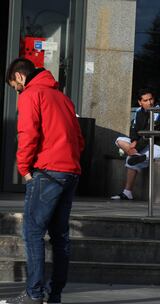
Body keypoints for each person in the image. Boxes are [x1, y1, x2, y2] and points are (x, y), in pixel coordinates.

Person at [1, 58, 84, 304]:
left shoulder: (31, 94)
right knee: (60, 236)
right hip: (70, 172)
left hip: (47, 172)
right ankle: (54, 295)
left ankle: (34, 295)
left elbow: (28, 133)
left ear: (19, 76)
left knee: (33, 233)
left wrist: (24, 167)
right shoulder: (64, 99)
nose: (16, 90)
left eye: (14, 86)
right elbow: (79, 139)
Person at [110, 89, 160, 200]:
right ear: (140, 102)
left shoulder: (159, 111)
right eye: (146, 100)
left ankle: (127, 191)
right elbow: (134, 129)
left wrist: (136, 147)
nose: (149, 102)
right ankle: (135, 155)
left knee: (132, 160)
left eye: (151, 99)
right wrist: (134, 141)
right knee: (119, 140)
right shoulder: (139, 111)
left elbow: (150, 133)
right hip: (143, 144)